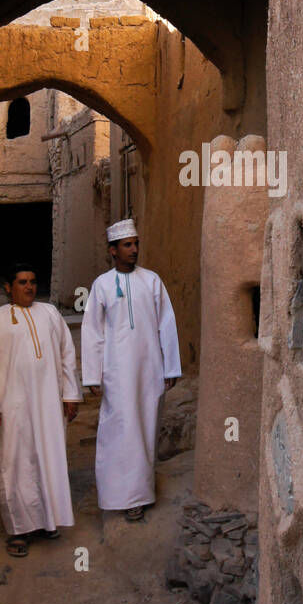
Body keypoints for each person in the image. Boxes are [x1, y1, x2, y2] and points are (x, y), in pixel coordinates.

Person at [0, 262, 81, 557]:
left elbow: (66, 355)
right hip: (12, 405)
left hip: (48, 402)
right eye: (22, 282)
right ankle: (19, 530)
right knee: (15, 463)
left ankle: (47, 521)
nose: (29, 287)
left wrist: (71, 395)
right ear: (9, 287)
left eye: (32, 281)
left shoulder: (50, 314)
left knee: (49, 459)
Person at [81, 219, 181, 522]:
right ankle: (118, 494)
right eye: (127, 245)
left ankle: (140, 494)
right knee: (120, 428)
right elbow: (92, 332)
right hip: (116, 371)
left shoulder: (152, 281)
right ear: (113, 250)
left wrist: (171, 366)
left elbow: (167, 323)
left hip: (149, 368)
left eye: (136, 243)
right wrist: (91, 374)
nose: (134, 249)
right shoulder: (101, 285)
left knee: (146, 425)